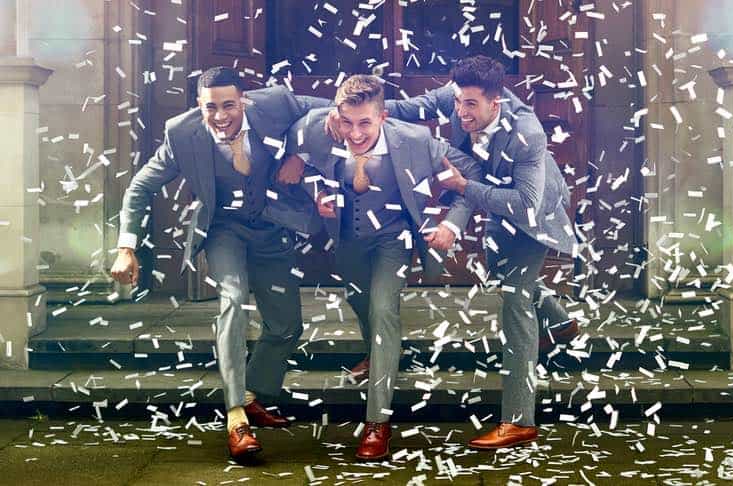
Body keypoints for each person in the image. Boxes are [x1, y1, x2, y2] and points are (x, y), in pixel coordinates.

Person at [110, 66, 329, 462]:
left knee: (285, 326)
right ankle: (236, 417)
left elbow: (329, 112)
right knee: (233, 300)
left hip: (272, 226)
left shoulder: (275, 103)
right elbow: (140, 187)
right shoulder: (181, 133)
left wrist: (300, 154)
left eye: (229, 105)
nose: (221, 115)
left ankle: (252, 394)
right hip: (223, 229)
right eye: (210, 107)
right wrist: (127, 247)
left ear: (244, 100)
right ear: (199, 104)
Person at [382, 55, 579, 448]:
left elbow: (525, 204)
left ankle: (519, 421)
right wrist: (367, 111)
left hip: (533, 212)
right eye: (458, 102)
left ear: (495, 102)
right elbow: (411, 107)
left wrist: (463, 187)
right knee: (498, 269)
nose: (461, 112)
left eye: (471, 105)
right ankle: (560, 324)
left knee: (515, 302)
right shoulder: (459, 95)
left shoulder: (528, 133)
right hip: (496, 198)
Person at [284, 74, 481, 460]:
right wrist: (316, 191)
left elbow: (469, 176)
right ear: (336, 114)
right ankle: (379, 353)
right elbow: (297, 152)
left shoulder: (416, 141)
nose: (355, 133)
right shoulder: (320, 129)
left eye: (365, 123)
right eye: (347, 122)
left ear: (383, 117)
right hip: (347, 240)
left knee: (382, 309)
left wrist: (452, 224)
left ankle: (377, 422)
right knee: (360, 302)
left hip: (394, 239)